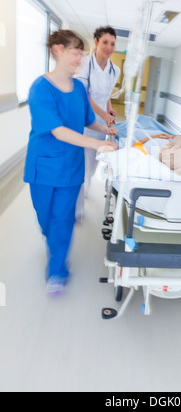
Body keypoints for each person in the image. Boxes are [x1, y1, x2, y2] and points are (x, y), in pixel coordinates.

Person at [23, 29, 117, 296]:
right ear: (58, 51)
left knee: (63, 219)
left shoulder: (78, 88)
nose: (81, 59)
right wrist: (97, 143)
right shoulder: (40, 89)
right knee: (46, 220)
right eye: (77, 53)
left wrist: (105, 130)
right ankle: (54, 244)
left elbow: (87, 120)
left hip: (71, 169)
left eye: (83, 54)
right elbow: (58, 130)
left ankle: (56, 271)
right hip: (43, 167)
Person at [76, 26, 121, 218]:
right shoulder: (85, 63)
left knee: (93, 164)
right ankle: (76, 208)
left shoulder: (114, 70)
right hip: (82, 120)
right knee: (81, 164)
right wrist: (104, 114)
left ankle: (84, 190)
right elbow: (85, 95)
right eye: (105, 42)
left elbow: (106, 94)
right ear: (96, 42)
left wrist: (109, 108)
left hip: (100, 124)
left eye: (112, 43)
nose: (109, 47)